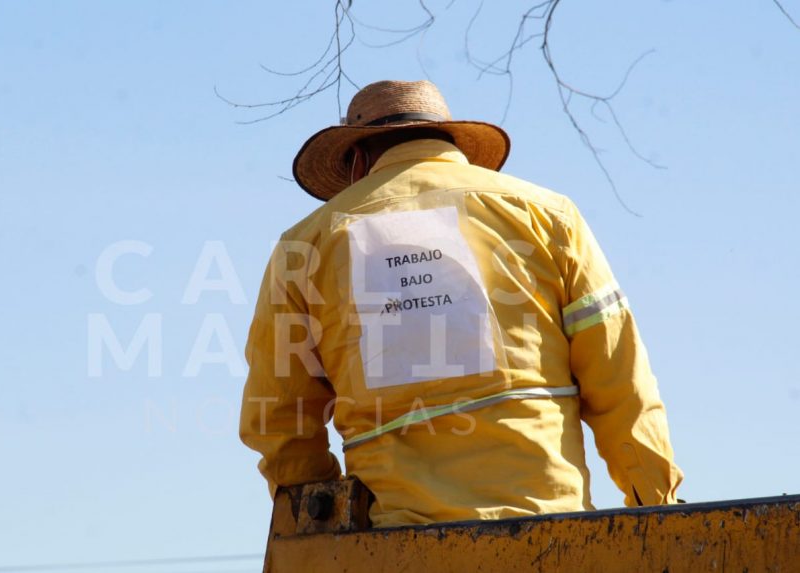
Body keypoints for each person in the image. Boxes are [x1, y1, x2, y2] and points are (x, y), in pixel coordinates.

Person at [239, 79, 683, 527]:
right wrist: (656, 503)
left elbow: (279, 420)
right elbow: (620, 378)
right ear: (452, 142)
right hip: (550, 526)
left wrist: (321, 518)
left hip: (394, 539)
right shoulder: (548, 217)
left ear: (357, 161)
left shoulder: (307, 244)